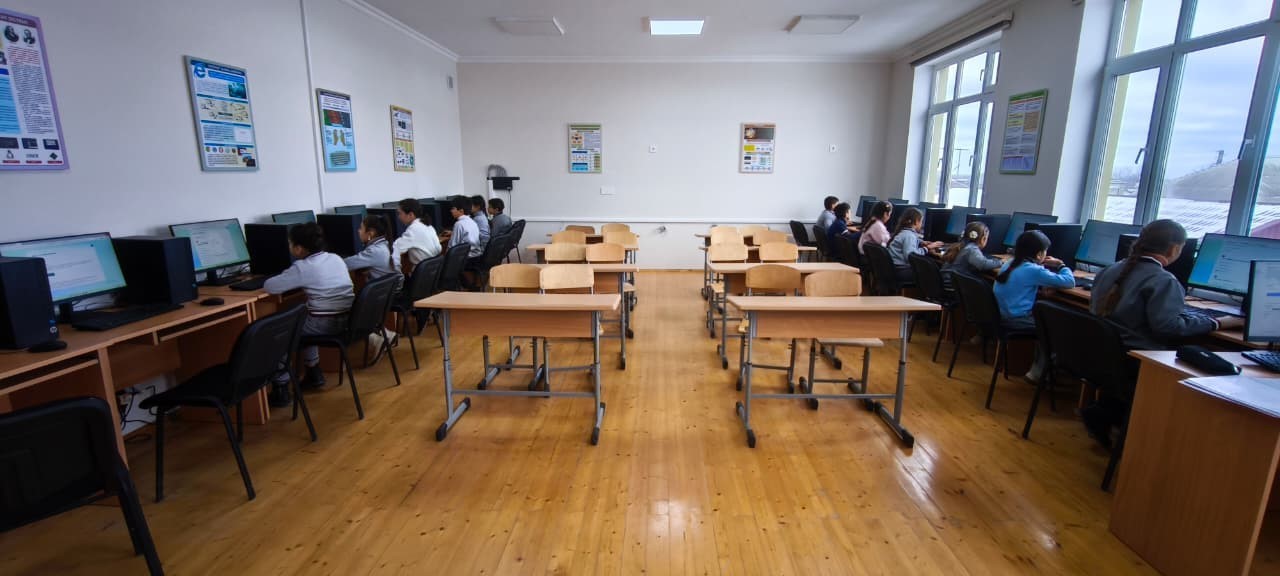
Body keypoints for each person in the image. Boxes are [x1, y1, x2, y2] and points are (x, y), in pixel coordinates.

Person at [1092, 219, 1242, 349]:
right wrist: (1217, 323)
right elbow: (1169, 328)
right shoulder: (1164, 281)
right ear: (1174, 249)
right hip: (1139, 354)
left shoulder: (1109, 269)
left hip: (1105, 350)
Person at [264, 223, 355, 406]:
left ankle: (281, 388)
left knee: (279, 333)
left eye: (290, 243)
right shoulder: (335, 258)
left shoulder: (303, 267)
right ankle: (313, 372)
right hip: (347, 320)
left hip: (324, 324)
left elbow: (270, 286)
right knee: (304, 317)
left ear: (299, 248)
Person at [992, 230, 1076, 381]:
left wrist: (1042, 287)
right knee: (1052, 327)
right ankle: (1039, 373)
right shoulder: (1033, 270)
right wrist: (1061, 265)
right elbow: (1069, 282)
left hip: (1000, 316)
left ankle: (1040, 369)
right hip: (1016, 319)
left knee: (1045, 319)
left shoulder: (1010, 263)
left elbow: (1021, 286)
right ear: (1039, 254)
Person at [344, 215, 401, 358]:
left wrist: (328, 260)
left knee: (346, 306)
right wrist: (371, 270)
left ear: (371, 233)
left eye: (361, 228)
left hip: (383, 296)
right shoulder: (388, 244)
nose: (358, 231)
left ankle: (376, 338)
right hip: (390, 291)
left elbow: (345, 264)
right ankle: (386, 334)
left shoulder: (374, 251)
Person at [887, 207, 943, 282]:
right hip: (901, 271)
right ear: (916, 221)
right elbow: (911, 257)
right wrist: (928, 248)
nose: (921, 224)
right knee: (933, 273)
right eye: (921, 222)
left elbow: (907, 243)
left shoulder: (904, 232)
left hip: (895, 269)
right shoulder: (909, 236)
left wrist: (920, 242)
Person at [940, 221, 1003, 285]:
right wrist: (1000, 262)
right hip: (952, 286)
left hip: (945, 282)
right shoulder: (971, 249)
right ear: (983, 239)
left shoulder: (959, 245)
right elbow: (983, 264)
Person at [392, 198, 442, 268]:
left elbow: (396, 247)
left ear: (410, 214)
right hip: (435, 269)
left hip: (423, 271)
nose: (398, 217)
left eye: (400, 213)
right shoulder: (427, 225)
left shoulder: (413, 230)